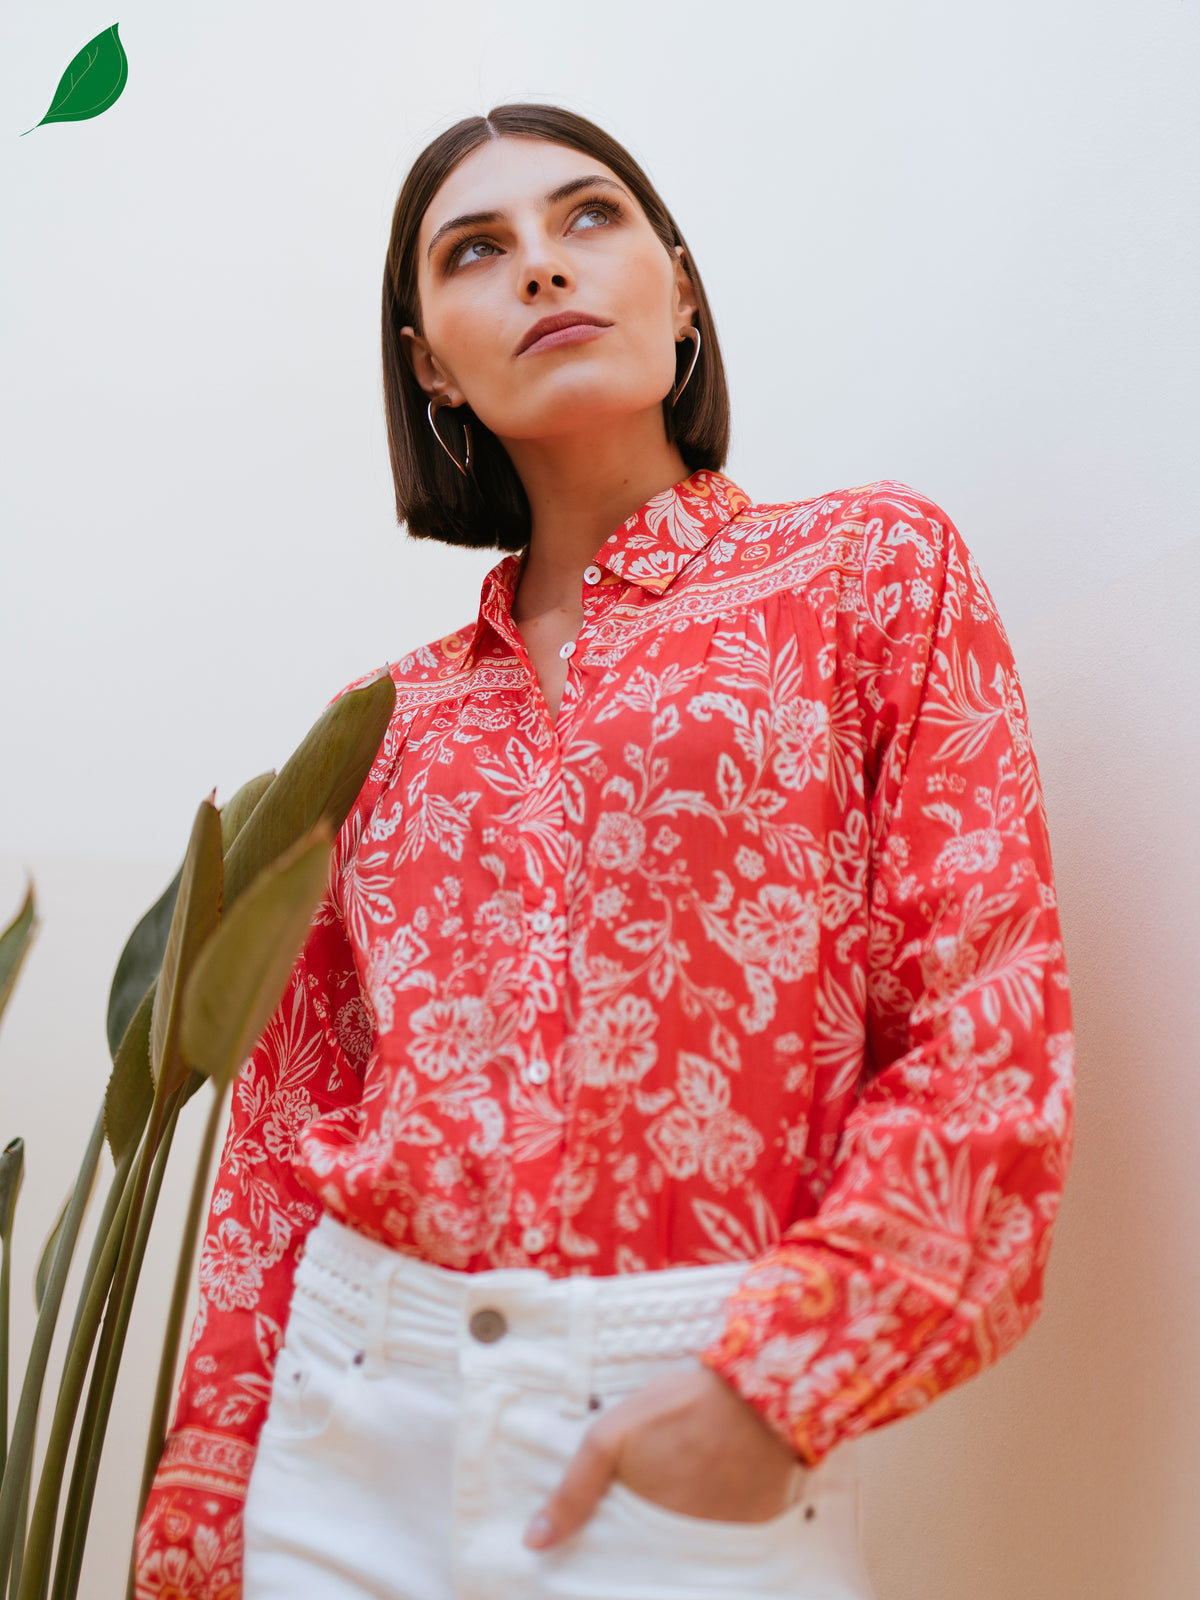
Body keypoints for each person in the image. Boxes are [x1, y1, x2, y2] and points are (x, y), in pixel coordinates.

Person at [134, 104, 1074, 1600]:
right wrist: (201, 1523)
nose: (543, 271)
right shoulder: (376, 728)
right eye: (477, 250)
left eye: (589, 220)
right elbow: (273, 1157)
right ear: (431, 362)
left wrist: (769, 1396)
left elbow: (985, 1024)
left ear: (682, 290)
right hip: (348, 1427)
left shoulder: (870, 574)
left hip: (685, 1411)